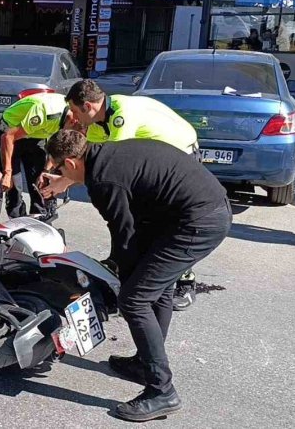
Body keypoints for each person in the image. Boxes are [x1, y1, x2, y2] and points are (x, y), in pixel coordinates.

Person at [44, 130, 231, 422]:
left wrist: (120, 277)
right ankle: (146, 364)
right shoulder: (105, 156)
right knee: (160, 290)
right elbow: (131, 230)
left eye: (57, 167)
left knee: (134, 300)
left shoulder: (104, 180)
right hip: (191, 211)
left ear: (69, 162)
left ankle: (161, 391)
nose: (57, 172)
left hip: (197, 221)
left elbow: (124, 235)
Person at [54, 79, 201, 310]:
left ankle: (184, 280)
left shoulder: (121, 117)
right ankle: (122, 263)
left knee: (170, 225)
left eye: (74, 111)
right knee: (131, 217)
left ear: (88, 107)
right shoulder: (98, 121)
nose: (74, 118)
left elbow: (111, 166)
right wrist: (62, 179)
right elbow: (84, 163)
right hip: (155, 162)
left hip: (180, 155)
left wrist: (64, 182)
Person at [0, 92, 80, 217]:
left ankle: (41, 219)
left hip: (36, 135)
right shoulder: (47, 114)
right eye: (73, 132)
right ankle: (17, 220)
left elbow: (56, 148)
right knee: (14, 185)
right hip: (10, 133)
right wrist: (7, 173)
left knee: (41, 181)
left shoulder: (73, 117)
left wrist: (45, 170)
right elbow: (7, 137)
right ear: (73, 121)